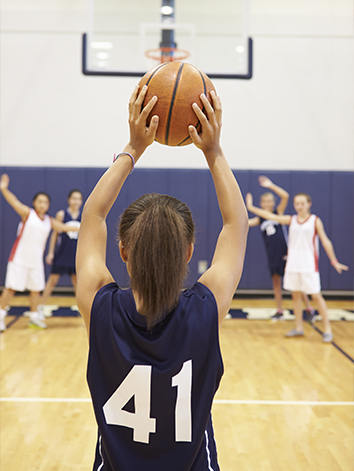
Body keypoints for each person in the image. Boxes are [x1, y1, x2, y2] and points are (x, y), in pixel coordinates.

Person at [76, 85, 248, 470]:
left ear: (122, 250)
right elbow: (237, 223)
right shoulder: (206, 310)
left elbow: (92, 218)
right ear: (189, 252)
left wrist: (133, 148)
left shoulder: (99, 307)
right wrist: (213, 150)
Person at [246, 192, 348, 342]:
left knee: (316, 296)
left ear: (308, 204)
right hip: (293, 264)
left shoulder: (315, 221)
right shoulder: (291, 219)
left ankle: (327, 329)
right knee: (295, 296)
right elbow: (270, 216)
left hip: (309, 265)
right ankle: (299, 328)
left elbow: (325, 241)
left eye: (302, 203)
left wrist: (334, 261)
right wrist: (250, 207)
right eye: (297, 204)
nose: (299, 206)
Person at [0, 175, 79, 331]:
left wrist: (83, 226)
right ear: (34, 203)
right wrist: (3, 189)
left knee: (36, 289)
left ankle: (34, 317)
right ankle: (1, 316)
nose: (43, 204)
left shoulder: (49, 220)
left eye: (45, 202)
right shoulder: (27, 214)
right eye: (40, 201)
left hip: (36, 262)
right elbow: (14, 202)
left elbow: (65, 228)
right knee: (11, 288)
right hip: (19, 260)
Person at [248, 176, 314, 321]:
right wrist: (245, 206)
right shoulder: (260, 219)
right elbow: (245, 223)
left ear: (273, 203)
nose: (267, 203)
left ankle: (309, 308)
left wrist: (270, 185)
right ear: (261, 204)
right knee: (276, 282)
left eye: (270, 201)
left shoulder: (279, 213)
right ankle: (279, 310)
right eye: (265, 201)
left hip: (285, 252)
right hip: (272, 254)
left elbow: (285, 195)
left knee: (297, 282)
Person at [38, 189, 83, 316]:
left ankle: (82, 307)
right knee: (52, 281)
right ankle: (41, 307)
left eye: (79, 199)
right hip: (62, 253)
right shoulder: (62, 215)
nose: (76, 201)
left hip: (76, 254)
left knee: (77, 283)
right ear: (69, 200)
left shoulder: (83, 215)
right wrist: (51, 252)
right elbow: (54, 234)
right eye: (74, 198)